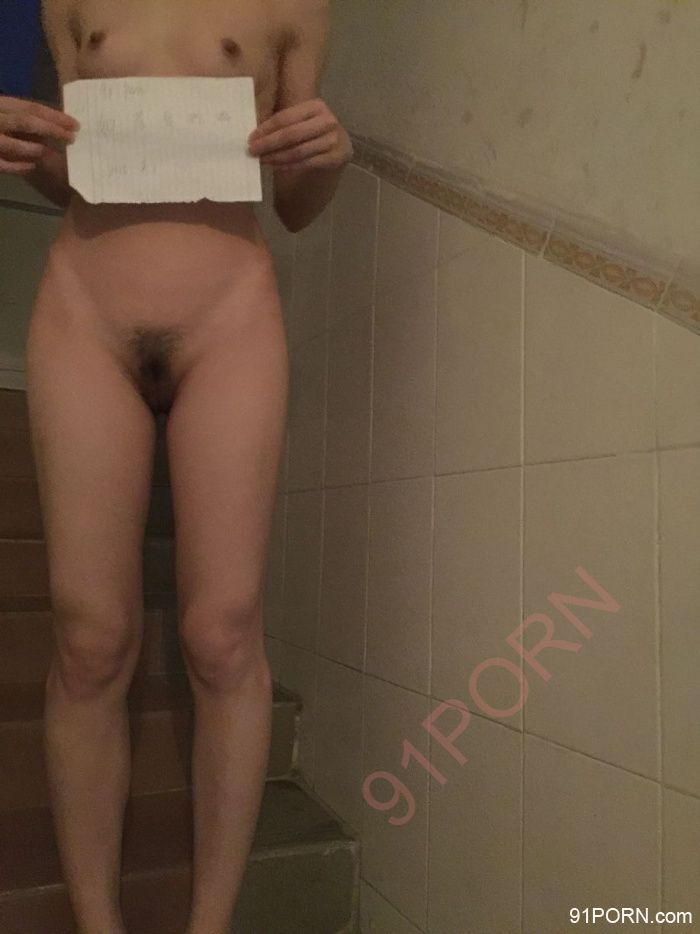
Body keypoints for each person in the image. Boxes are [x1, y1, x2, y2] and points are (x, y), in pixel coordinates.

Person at [0, 1, 352, 932]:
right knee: (89, 638)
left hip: (228, 317)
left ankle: (209, 925)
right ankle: (97, 924)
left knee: (224, 632)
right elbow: (72, 173)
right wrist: (30, 150)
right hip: (84, 310)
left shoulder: (296, 4)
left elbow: (295, 203)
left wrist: (326, 156)